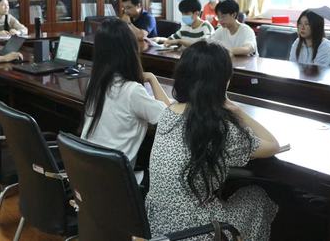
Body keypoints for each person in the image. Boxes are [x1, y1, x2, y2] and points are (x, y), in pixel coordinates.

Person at [146, 41, 279, 240]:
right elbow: (273, 145)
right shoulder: (218, 128)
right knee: (257, 196)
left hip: (158, 229)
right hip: (198, 233)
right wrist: (236, 110)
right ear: (223, 82)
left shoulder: (168, 113)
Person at [81, 18, 170, 171]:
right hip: (116, 178)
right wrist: (152, 78)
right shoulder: (132, 91)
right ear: (130, 50)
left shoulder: (94, 83)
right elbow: (171, 118)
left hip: (87, 169)